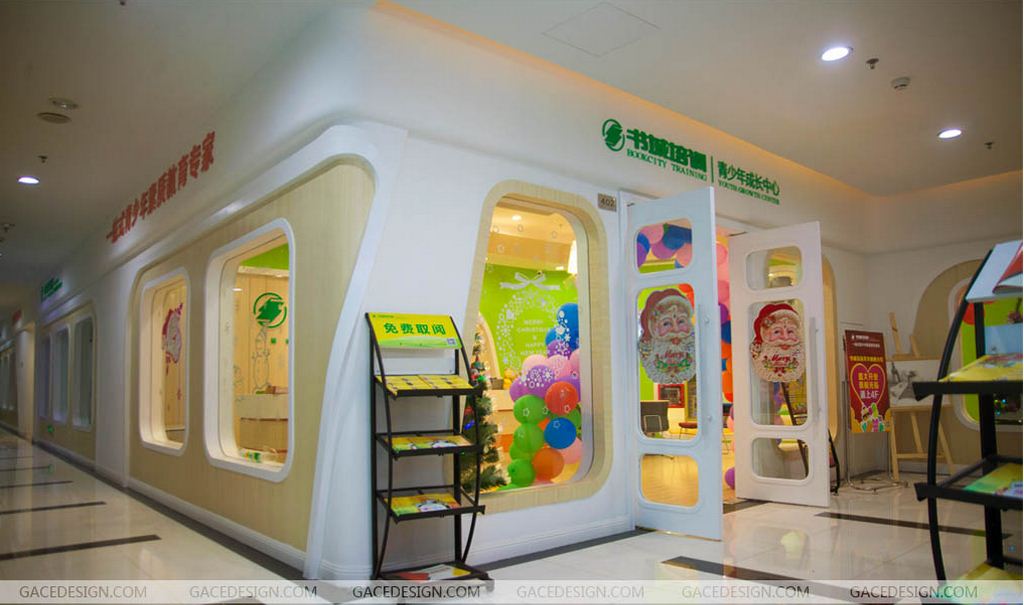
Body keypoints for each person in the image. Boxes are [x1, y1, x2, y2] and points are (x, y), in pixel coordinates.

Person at [638, 289, 696, 384]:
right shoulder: (649, 348)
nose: (676, 329)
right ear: (653, 327)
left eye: (681, 321)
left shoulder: (694, 342)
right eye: (666, 323)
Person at [750, 302, 804, 383]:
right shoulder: (759, 349)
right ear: (764, 334)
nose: (785, 338)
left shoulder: (799, 349)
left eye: (790, 331)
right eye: (777, 332)